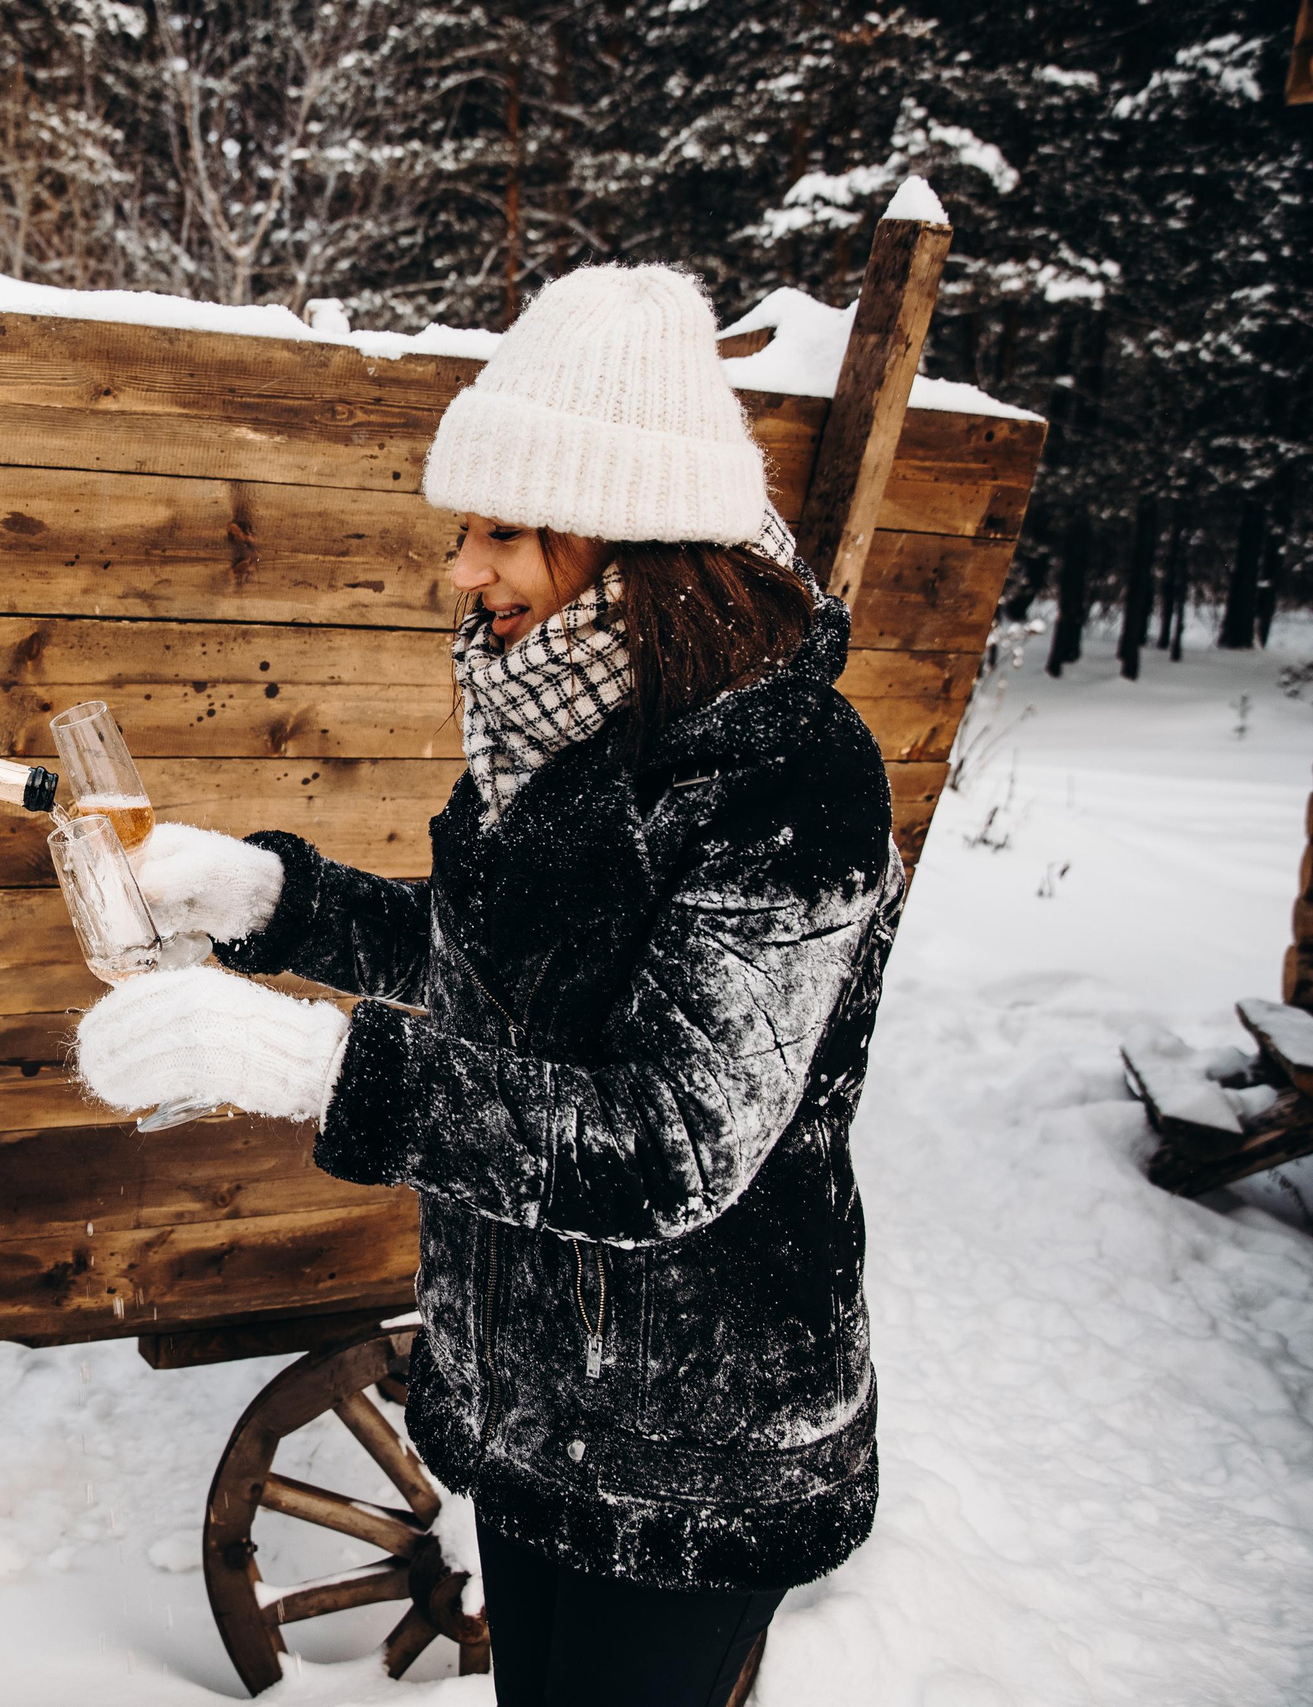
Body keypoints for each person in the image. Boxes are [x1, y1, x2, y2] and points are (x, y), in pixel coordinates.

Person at [75, 265, 902, 1707]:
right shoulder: (564, 717)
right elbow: (490, 974)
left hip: (695, 1449)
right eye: (467, 528)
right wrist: (275, 902)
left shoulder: (792, 775)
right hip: (531, 1401)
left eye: (507, 531)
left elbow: (669, 1140)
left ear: (639, 542)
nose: (464, 569)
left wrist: (308, 1067)